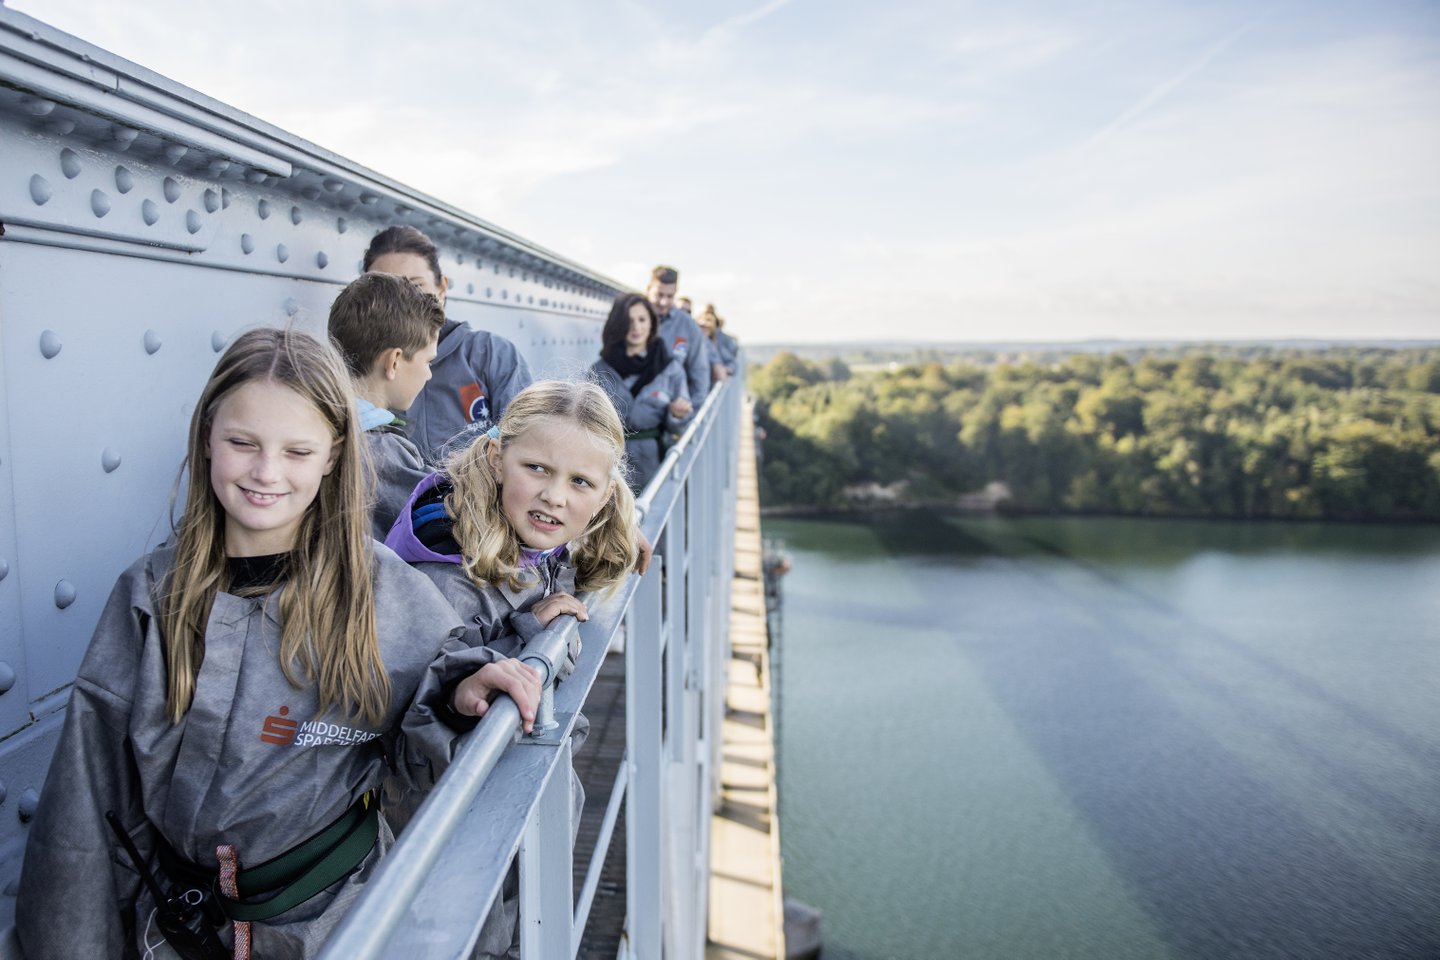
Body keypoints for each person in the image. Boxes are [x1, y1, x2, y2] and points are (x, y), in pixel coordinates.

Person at [16, 328, 541, 959]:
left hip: (333, 930)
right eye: (242, 443)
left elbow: (437, 728)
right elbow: (86, 801)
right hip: (177, 934)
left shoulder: (386, 597)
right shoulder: (153, 595)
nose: (266, 472)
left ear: (332, 455)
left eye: (297, 451)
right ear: (207, 435)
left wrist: (467, 693)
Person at [384, 379, 639, 958]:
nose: (554, 497)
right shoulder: (445, 572)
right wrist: (530, 635)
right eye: (537, 469)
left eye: (579, 482)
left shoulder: (521, 534)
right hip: (437, 823)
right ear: (498, 459)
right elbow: (412, 718)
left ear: (604, 498)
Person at [364, 226, 533, 462]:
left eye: (415, 286)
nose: (401, 301)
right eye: (385, 289)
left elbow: (529, 443)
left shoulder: (492, 354)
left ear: (441, 288)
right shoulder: (356, 365)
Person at [327, 272, 445, 540]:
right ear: (393, 362)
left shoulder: (316, 426)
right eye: (428, 362)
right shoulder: (383, 451)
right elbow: (445, 511)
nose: (428, 374)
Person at [591, 293, 692, 493]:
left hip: (652, 462)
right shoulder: (600, 369)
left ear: (652, 323)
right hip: (609, 462)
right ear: (618, 325)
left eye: (642, 319)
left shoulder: (670, 368)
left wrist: (677, 415)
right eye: (629, 321)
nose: (636, 327)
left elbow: (680, 428)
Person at [645, 265, 711, 404]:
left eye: (670, 296)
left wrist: (689, 413)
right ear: (648, 290)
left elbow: (699, 372)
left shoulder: (687, 325)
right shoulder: (630, 318)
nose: (664, 302)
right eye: (659, 295)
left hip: (668, 416)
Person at [694, 303, 738, 382]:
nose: (703, 330)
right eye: (701, 327)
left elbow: (730, 362)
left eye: (707, 327)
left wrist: (725, 369)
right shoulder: (691, 342)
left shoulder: (716, 345)